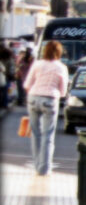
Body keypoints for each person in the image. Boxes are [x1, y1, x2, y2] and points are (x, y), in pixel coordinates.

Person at [23, 41, 69, 176]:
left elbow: (27, 84)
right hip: (50, 99)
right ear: (59, 52)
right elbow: (63, 91)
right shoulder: (61, 67)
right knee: (47, 135)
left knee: (35, 133)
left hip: (33, 98)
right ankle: (44, 169)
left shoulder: (37, 64)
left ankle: (37, 164)